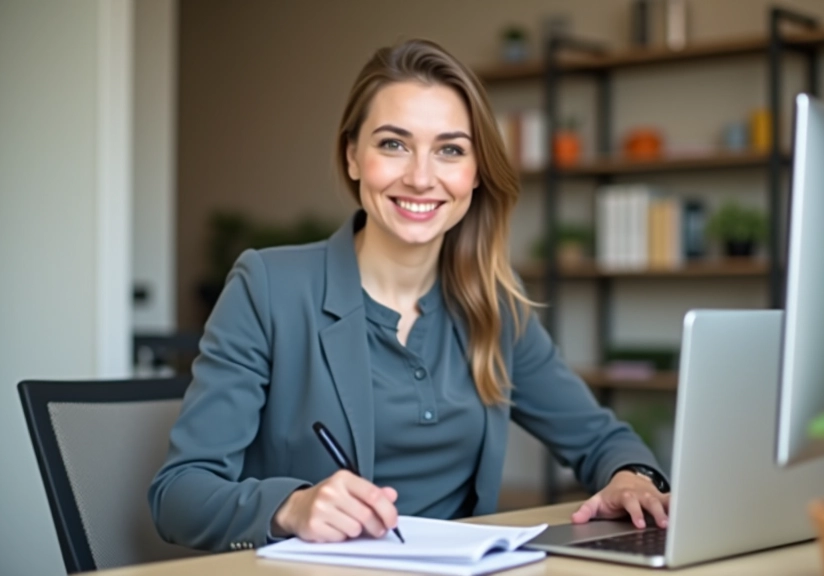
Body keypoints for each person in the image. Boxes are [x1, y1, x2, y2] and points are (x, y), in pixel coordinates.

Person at [148, 38, 670, 552]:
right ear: (353, 156)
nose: (421, 178)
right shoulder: (268, 288)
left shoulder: (494, 306)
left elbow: (601, 440)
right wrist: (292, 507)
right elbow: (179, 495)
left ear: (475, 172)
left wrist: (632, 476)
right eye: (393, 144)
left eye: (450, 150)